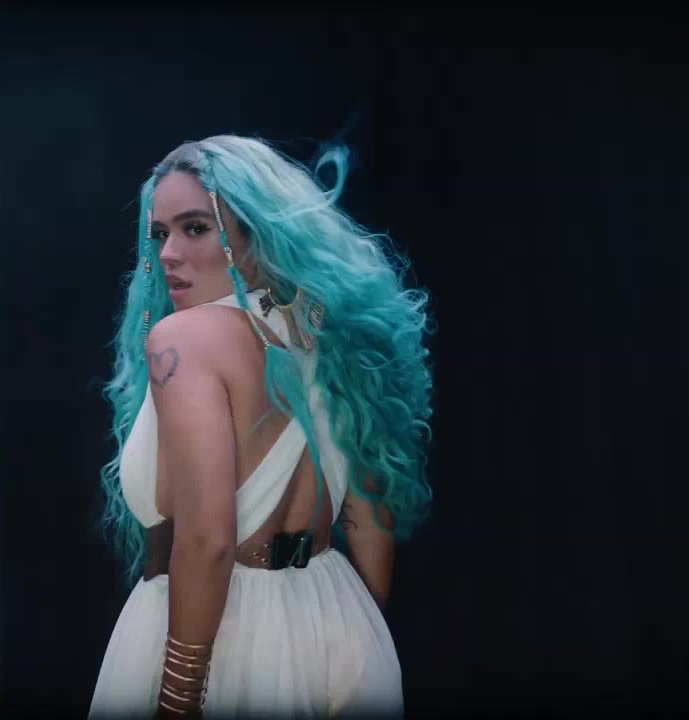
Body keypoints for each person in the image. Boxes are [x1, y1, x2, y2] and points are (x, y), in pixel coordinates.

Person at [90, 135, 434, 719]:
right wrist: (352, 635)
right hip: (338, 622)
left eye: (195, 228)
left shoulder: (184, 339)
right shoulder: (332, 336)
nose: (168, 253)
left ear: (258, 232)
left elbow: (207, 540)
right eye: (160, 234)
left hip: (221, 639)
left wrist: (178, 696)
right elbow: (371, 516)